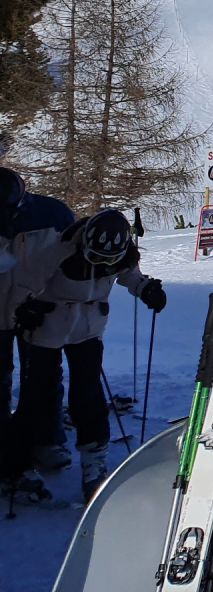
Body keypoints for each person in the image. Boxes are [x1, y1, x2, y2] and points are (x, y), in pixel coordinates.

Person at [7, 208, 165, 499]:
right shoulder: (59, 247)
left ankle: (94, 462)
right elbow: (26, 281)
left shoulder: (122, 253)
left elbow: (129, 275)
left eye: (109, 261)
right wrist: (23, 308)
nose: (102, 264)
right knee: (37, 395)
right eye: (95, 258)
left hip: (88, 329)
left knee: (88, 395)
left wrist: (145, 289)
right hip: (48, 326)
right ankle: (18, 463)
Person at [0, 167, 74, 501]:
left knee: (43, 377)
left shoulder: (53, 213)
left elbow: (71, 260)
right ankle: (7, 449)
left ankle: (47, 440)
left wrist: (53, 301)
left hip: (39, 309)